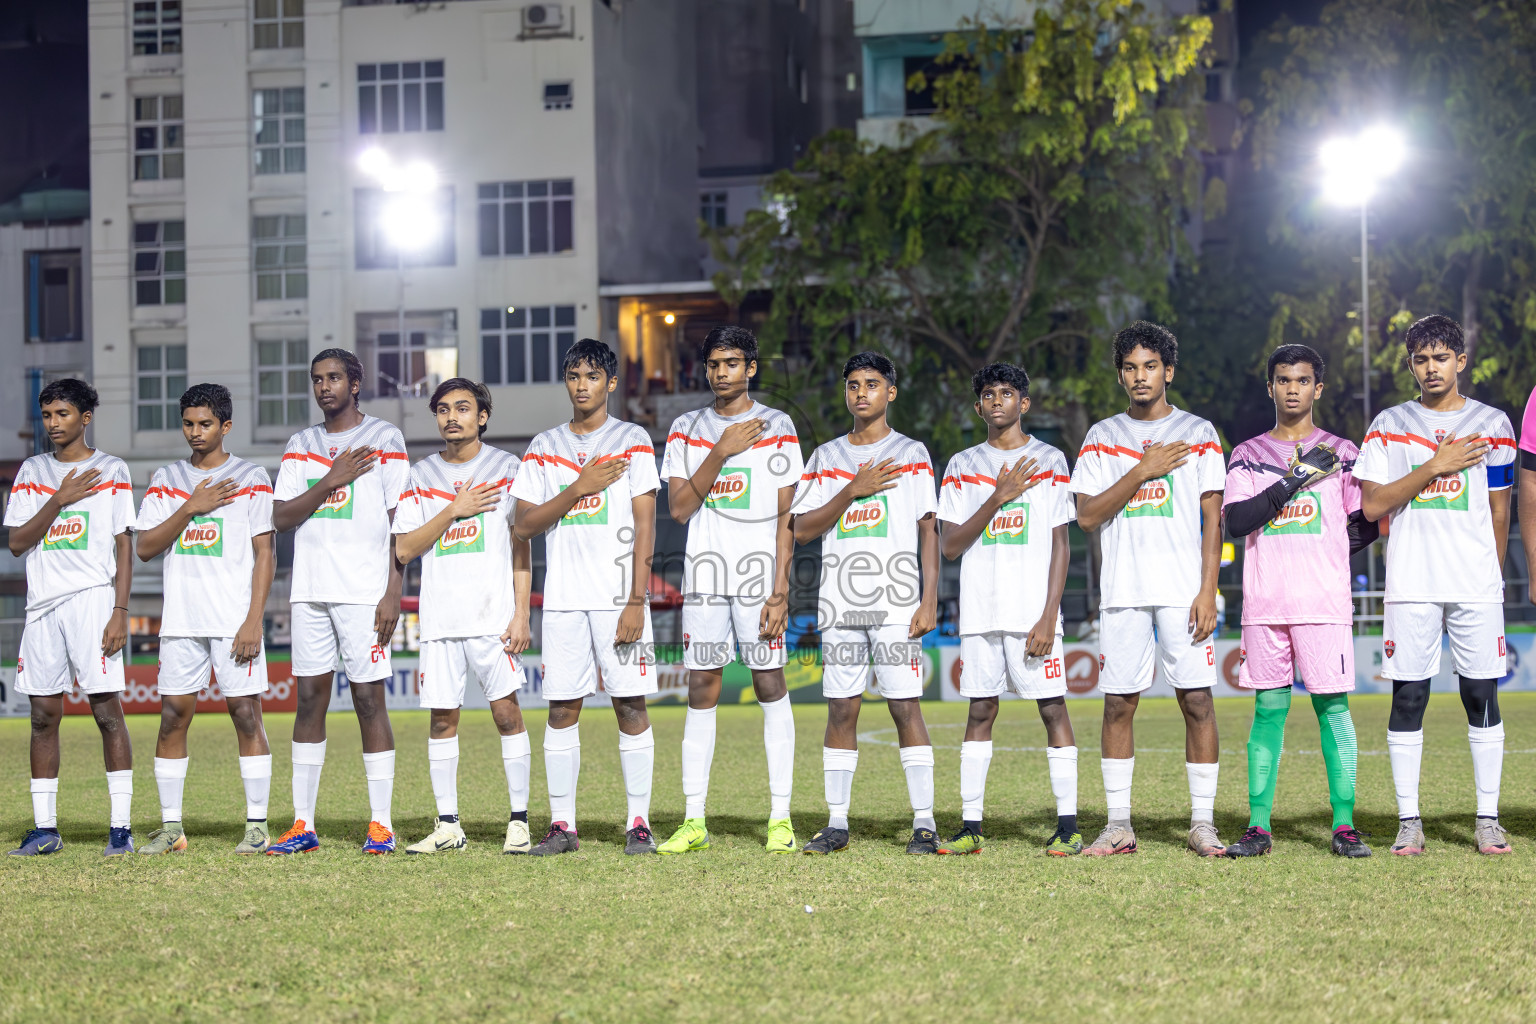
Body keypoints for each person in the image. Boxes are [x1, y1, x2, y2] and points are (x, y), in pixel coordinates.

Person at [1355, 314, 1517, 856]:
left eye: (1441, 357)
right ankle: (1409, 821)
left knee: (1481, 693)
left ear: (1460, 361)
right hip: (1412, 581)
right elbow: (1374, 505)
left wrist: (1490, 576)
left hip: (1474, 583)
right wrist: (1436, 463)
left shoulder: (1493, 423)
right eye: (1421, 359)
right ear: (1410, 365)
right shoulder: (1388, 424)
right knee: (1410, 697)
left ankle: (1488, 819)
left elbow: (1500, 509)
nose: (1431, 368)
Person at [1069, 321, 1227, 857]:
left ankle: (1202, 823)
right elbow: (1087, 516)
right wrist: (1142, 469)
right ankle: (1118, 825)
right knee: (1118, 704)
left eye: (1151, 366)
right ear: (1120, 375)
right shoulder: (1101, 436)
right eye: (1132, 368)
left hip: (1184, 592)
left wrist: (1209, 590)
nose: (1141, 376)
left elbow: (1213, 521)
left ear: (1169, 371)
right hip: (1124, 590)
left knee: (1198, 701)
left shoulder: (1200, 432)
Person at [1220, 346, 1377, 859]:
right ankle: (1259, 827)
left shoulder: (1343, 451)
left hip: (1323, 602)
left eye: (1303, 380)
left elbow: (1368, 522)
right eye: (1283, 379)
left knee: (1333, 709)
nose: (1293, 388)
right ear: (1270, 387)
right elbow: (1237, 521)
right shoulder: (1247, 453)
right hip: (1265, 603)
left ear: (1318, 388)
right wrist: (1297, 478)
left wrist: (1328, 547)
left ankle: (1345, 825)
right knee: (1268, 710)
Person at [655, 326, 803, 856]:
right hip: (706, 579)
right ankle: (694, 819)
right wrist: (719, 450)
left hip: (760, 580)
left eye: (733, 363)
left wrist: (780, 589)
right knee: (702, 689)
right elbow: (678, 509)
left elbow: (789, 513)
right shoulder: (686, 428)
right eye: (714, 363)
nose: (722, 372)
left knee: (769, 683)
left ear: (752, 367)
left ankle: (780, 818)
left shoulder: (779, 426)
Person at [512, 339, 661, 856]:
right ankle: (562, 826)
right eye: (573, 375)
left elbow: (646, 525)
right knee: (561, 709)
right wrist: (578, 486)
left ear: (610, 384)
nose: (582, 385)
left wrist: (637, 600)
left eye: (592, 376)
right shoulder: (543, 446)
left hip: (619, 597)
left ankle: (638, 822)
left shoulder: (633, 439)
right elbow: (524, 525)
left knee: (630, 705)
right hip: (565, 601)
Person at [792, 352, 941, 855]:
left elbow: (928, 530)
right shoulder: (827, 457)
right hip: (839, 604)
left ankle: (925, 822)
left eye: (872, 384)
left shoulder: (912, 453)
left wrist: (928, 598)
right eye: (852, 384)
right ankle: (836, 824)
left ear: (890, 393)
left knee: (905, 707)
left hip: (897, 604)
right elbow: (802, 529)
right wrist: (850, 490)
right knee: (841, 710)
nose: (861, 393)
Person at [267, 349, 409, 855]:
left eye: (333, 378)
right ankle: (303, 824)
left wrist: (394, 591)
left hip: (364, 594)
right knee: (308, 702)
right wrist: (330, 479)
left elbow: (402, 520)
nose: (324, 386)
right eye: (316, 379)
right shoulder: (301, 445)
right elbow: (281, 517)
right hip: (309, 592)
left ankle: (381, 824)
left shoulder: (385, 439)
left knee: (369, 701)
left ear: (355, 383)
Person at [936, 363, 1081, 856]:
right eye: (988, 394)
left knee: (1053, 708)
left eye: (1007, 393)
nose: (997, 401)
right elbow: (951, 544)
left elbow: (1061, 542)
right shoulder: (961, 465)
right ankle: (971, 826)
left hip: (1032, 615)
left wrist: (1048, 615)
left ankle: (1068, 826)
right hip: (981, 613)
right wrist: (997, 498)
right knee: (980, 710)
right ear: (978, 406)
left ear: (1025, 403)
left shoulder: (1050, 459)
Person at [392, 379, 534, 854]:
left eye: (463, 408)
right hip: (441, 619)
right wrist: (454, 509)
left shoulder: (506, 467)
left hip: (493, 618)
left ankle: (519, 822)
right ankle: (449, 825)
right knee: (440, 721)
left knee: (506, 714)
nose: (452, 417)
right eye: (444, 409)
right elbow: (406, 548)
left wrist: (521, 613)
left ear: (483, 416)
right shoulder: (419, 474)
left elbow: (521, 545)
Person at [134, 384, 277, 855]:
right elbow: (147, 548)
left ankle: (256, 827)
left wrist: (254, 619)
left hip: (233, 620)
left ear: (226, 426)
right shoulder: (167, 478)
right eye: (189, 424)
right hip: (181, 621)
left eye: (206, 424)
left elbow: (264, 553)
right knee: (173, 717)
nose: (196, 433)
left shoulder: (251, 476)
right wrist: (190, 506)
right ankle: (172, 828)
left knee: (245, 715)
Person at [6, 379, 136, 857]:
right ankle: (45, 829)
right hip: (43, 607)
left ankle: (120, 829)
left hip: (92, 602)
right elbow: (18, 542)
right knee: (42, 716)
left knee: (106, 712)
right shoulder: (33, 471)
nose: (53, 424)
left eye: (62, 414)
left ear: (85, 417)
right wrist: (58, 498)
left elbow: (125, 544)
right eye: (47, 415)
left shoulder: (112, 469)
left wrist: (120, 610)